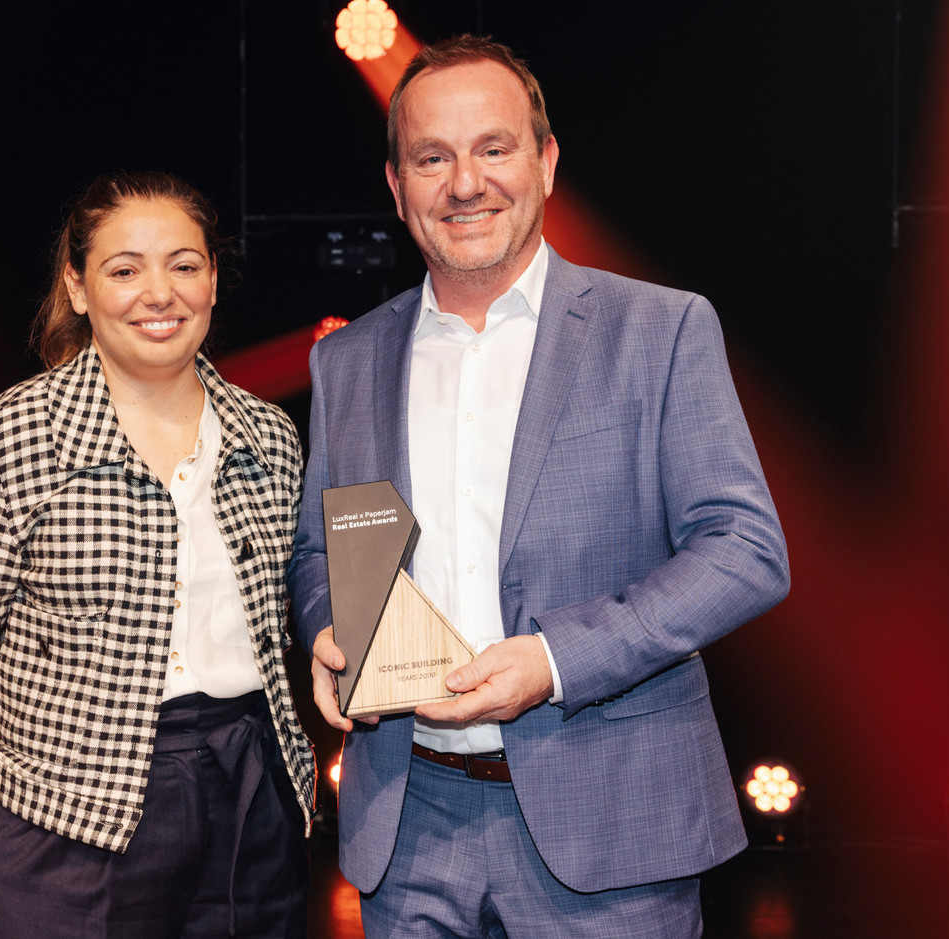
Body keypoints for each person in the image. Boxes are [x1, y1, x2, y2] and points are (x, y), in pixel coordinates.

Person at [289, 36, 789, 938]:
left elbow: (745, 549)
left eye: (493, 148)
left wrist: (555, 661)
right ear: (398, 187)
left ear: (547, 162)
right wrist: (331, 626)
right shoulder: (346, 360)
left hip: (612, 824)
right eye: (432, 158)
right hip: (406, 826)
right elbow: (323, 547)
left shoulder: (660, 329)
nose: (465, 183)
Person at [0, 170, 315, 938]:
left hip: (249, 790)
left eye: (184, 264)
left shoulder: (268, 435)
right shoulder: (1, 438)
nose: (158, 293)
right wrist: (21, 793)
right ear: (76, 285)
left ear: (214, 280)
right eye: (124, 269)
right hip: (69, 813)